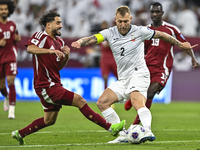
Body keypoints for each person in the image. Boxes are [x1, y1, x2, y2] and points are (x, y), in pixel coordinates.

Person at [71, 5, 198, 144]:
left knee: (137, 102)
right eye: (120, 21)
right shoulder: (109, 33)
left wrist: (180, 44)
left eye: (126, 21)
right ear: (115, 20)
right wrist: (79, 42)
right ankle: (122, 134)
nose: (123, 24)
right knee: (102, 102)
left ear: (130, 19)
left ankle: (147, 130)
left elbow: (163, 35)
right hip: (124, 79)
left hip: (139, 74)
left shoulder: (140, 31)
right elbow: (92, 38)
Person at [11, 10, 125, 146]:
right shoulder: (40, 36)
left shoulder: (59, 41)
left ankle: (20, 134)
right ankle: (110, 128)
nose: (61, 26)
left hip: (55, 83)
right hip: (45, 85)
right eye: (57, 23)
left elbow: (58, 67)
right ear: (48, 25)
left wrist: (66, 57)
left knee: (49, 120)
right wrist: (50, 51)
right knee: (80, 100)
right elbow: (30, 48)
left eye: (61, 23)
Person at [123, 2, 199, 143]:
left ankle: (135, 126)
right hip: (145, 68)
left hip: (162, 68)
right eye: (153, 12)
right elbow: (140, 50)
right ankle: (139, 121)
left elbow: (185, 44)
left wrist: (193, 59)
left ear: (162, 13)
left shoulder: (171, 29)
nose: (155, 14)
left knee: (150, 93)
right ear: (150, 13)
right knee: (143, 96)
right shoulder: (145, 30)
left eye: (158, 12)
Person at [0, 0, 21, 119]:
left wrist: (18, 38)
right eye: (1, 9)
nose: (3, 11)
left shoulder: (13, 24)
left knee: (11, 81)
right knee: (1, 86)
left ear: (9, 10)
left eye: (5, 9)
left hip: (10, 56)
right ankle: (7, 97)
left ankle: (11, 112)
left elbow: (17, 37)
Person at [99, 21, 117, 90]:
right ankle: (105, 91)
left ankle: (121, 92)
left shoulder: (111, 35)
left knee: (118, 77)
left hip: (113, 58)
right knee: (105, 77)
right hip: (105, 59)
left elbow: (107, 45)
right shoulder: (100, 36)